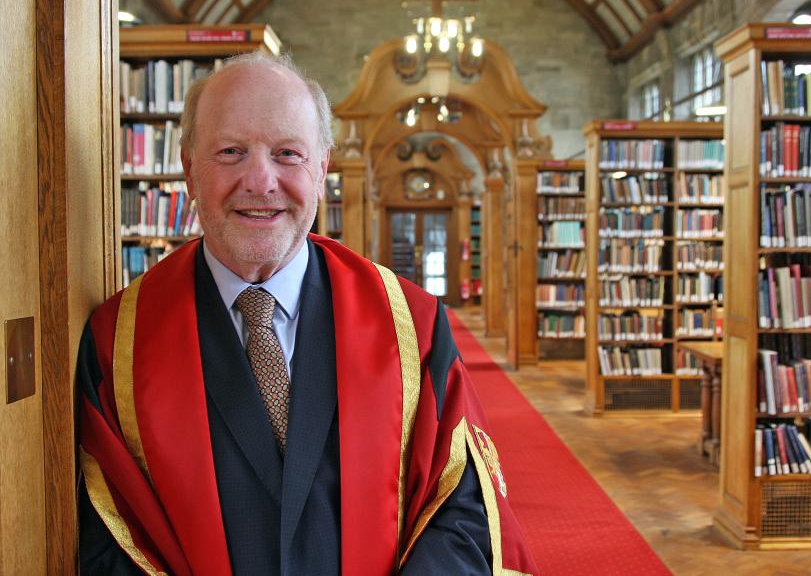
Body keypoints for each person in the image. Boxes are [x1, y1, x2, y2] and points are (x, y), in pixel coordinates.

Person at [77, 52, 538, 575]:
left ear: (322, 168)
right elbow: (110, 536)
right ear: (188, 167)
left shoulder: (411, 324)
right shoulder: (119, 343)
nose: (260, 181)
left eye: (287, 153)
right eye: (230, 152)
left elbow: (462, 510)